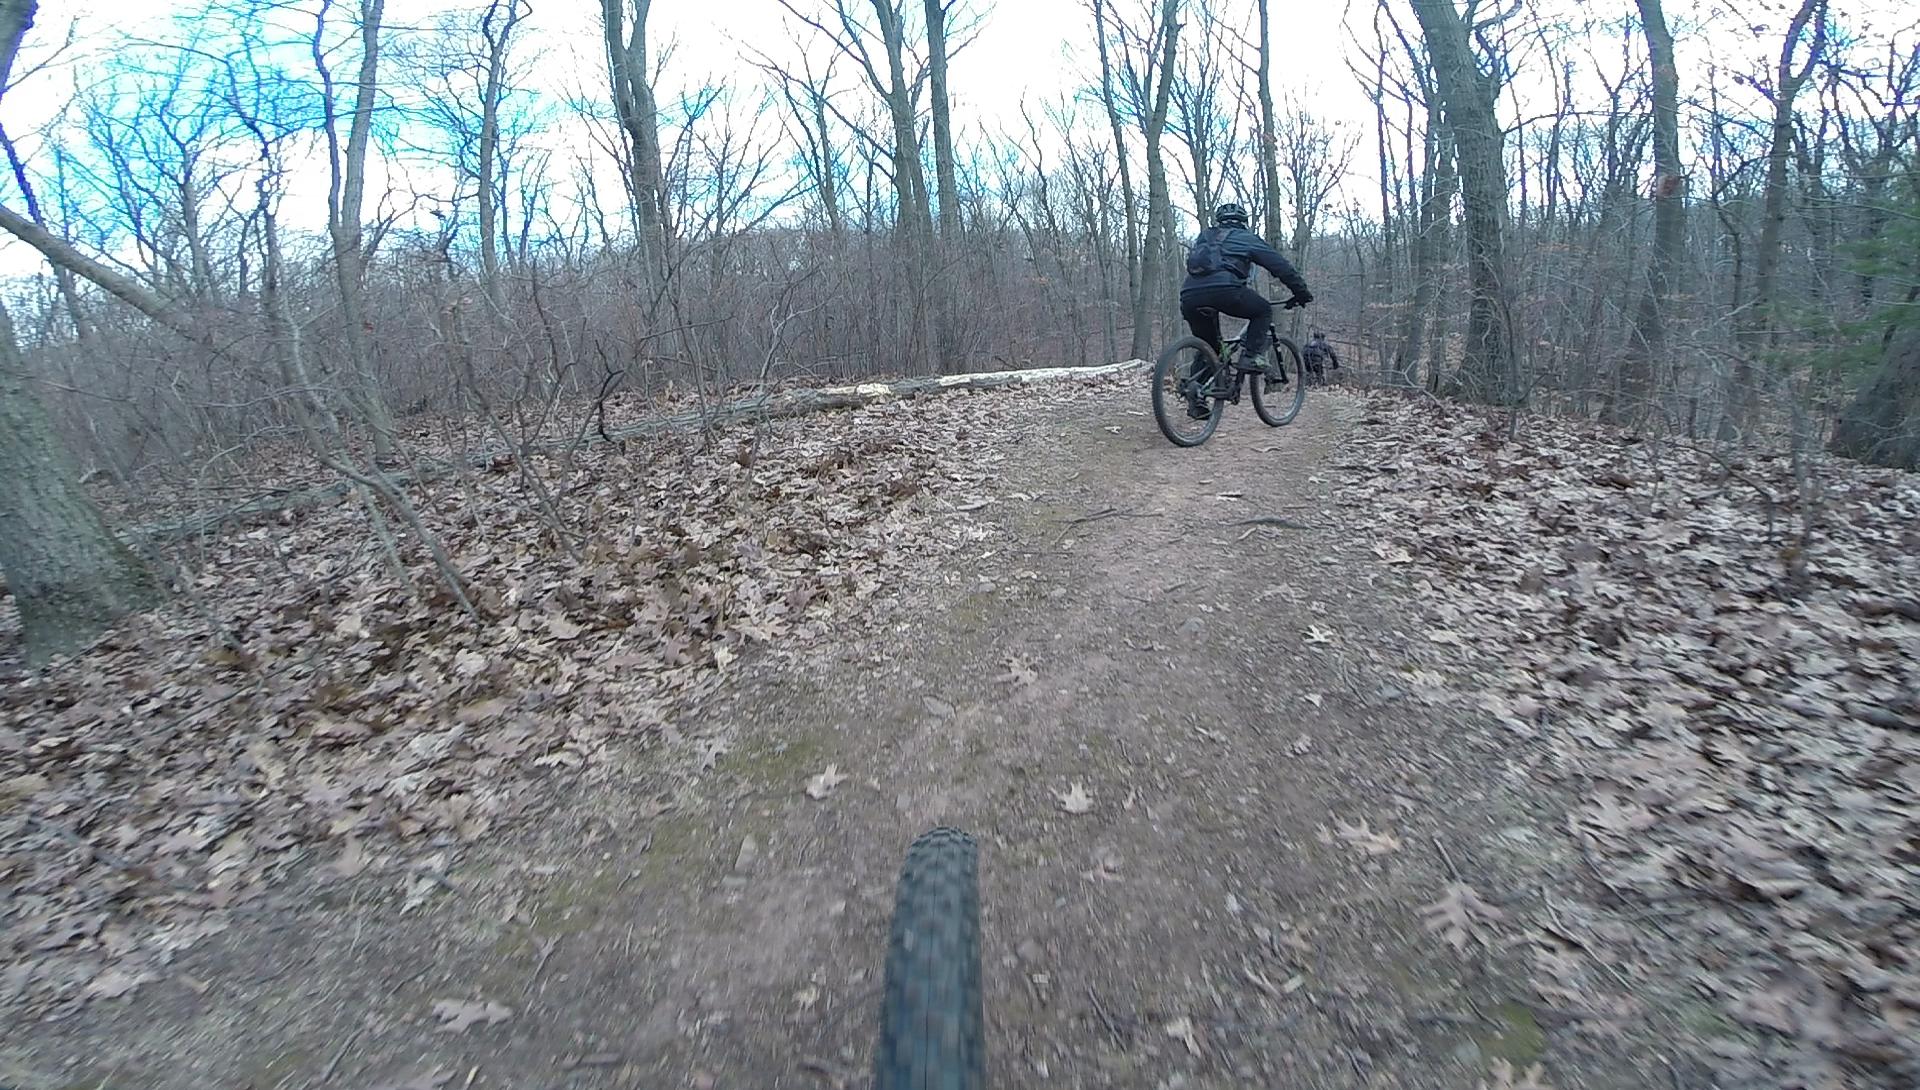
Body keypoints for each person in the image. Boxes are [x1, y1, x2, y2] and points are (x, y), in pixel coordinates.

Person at [1179, 202, 1313, 418]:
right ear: (1244, 222)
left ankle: (1197, 396)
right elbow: (1281, 267)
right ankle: (1251, 356)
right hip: (1227, 290)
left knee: (1210, 347)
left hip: (1189, 295)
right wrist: (1301, 292)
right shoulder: (1247, 238)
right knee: (1262, 310)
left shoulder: (1205, 237)